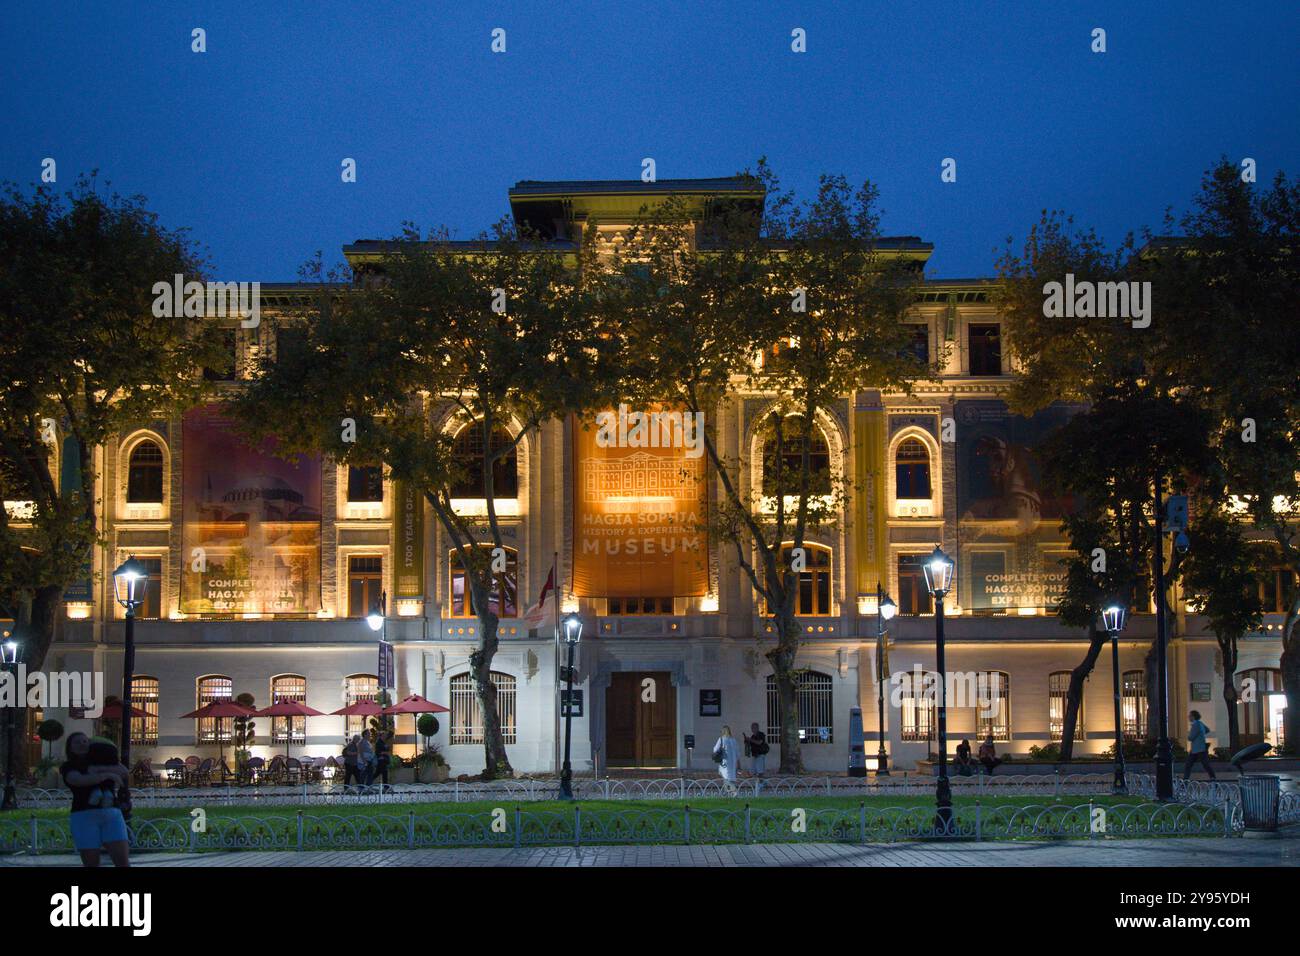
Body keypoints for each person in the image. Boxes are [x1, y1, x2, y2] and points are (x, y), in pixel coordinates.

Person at [61, 732, 131, 868]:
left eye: (84, 741)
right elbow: (78, 780)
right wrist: (107, 775)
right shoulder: (69, 766)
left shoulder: (103, 760)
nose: (82, 744)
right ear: (70, 748)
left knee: (123, 862)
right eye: (77, 742)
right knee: (91, 863)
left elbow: (123, 772)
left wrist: (97, 769)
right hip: (84, 816)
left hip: (111, 815)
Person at [1183, 710, 1217, 780]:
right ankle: (1213, 778)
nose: (1188, 717)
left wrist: (1187, 736)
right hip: (1199, 748)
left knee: (1189, 765)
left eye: (1189, 716)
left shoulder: (1195, 725)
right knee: (1204, 765)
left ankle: (1185, 781)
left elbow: (1191, 737)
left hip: (1197, 749)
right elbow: (1207, 730)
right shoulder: (1200, 723)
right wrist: (1201, 736)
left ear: (1193, 717)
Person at [713, 725, 740, 795]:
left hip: (725, 762)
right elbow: (737, 753)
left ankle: (734, 791)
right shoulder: (733, 740)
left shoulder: (722, 739)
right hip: (733, 762)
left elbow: (715, 749)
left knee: (726, 777)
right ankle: (728, 793)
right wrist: (738, 763)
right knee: (730, 777)